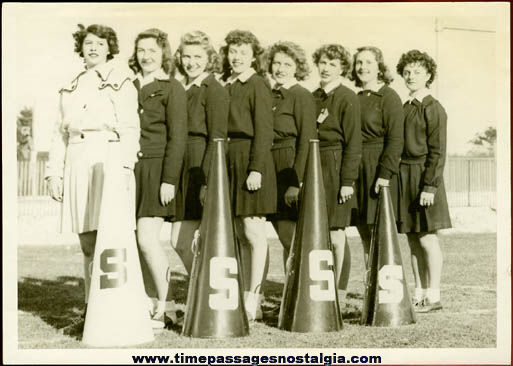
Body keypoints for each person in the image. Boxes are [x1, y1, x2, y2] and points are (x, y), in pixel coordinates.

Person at [46, 24, 140, 321]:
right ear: (81, 47)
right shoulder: (70, 84)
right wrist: (53, 174)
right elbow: (58, 134)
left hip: (109, 159)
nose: (94, 48)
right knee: (87, 241)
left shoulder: (122, 80)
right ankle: (91, 308)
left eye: (100, 43)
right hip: (77, 158)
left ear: (110, 47)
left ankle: (120, 306)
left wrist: (124, 168)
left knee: (112, 236)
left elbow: (129, 128)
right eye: (89, 43)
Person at [129, 28, 187, 327]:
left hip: (156, 169)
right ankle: (153, 305)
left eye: (152, 50)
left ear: (163, 53)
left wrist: (169, 179)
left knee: (147, 239)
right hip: (130, 169)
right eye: (141, 50)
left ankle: (168, 306)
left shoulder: (172, 88)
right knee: (137, 242)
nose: (146, 56)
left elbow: (177, 138)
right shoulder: (127, 85)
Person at [220, 30, 276, 321]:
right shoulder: (226, 85)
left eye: (243, 51)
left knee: (254, 232)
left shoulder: (257, 84)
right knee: (240, 233)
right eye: (233, 51)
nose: (237, 57)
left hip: (250, 160)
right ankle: (244, 293)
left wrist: (255, 168)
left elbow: (265, 131)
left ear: (254, 55)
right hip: (229, 160)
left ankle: (255, 295)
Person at [396, 49, 452, 312]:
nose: (411, 76)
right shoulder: (404, 107)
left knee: (428, 238)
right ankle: (418, 294)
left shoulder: (433, 107)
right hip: (404, 176)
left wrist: (430, 185)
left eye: (417, 71)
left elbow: (438, 151)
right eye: (407, 71)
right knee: (411, 239)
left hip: (424, 177)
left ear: (428, 75)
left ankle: (435, 296)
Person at [170, 30, 229, 274]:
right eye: (186, 56)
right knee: (179, 241)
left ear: (208, 59)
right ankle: (201, 292)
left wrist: (207, 181)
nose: (191, 62)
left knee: (186, 241)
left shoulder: (213, 88)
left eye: (197, 56)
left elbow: (217, 138)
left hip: (199, 166)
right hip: (181, 164)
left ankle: (205, 292)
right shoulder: (180, 88)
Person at [312, 44, 362, 308]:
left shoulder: (347, 97)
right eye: (322, 62)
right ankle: (322, 287)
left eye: (332, 64)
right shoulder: (313, 96)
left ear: (342, 68)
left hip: (335, 164)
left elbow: (354, 143)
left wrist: (347, 181)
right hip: (315, 165)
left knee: (336, 234)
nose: (326, 67)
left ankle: (338, 294)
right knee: (318, 234)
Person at [350, 46, 404, 265]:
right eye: (359, 63)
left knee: (379, 230)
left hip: (377, 169)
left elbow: (395, 140)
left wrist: (384, 174)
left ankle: (386, 286)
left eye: (369, 62)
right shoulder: (355, 97)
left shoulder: (389, 97)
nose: (363, 67)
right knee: (363, 230)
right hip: (357, 167)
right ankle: (370, 284)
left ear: (380, 66)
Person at [265, 41, 317, 266]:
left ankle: (303, 293)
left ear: (297, 67)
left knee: (291, 237)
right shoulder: (271, 94)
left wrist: (296, 182)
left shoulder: (301, 95)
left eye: (287, 64)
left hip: (289, 169)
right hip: (270, 166)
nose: (280, 69)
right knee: (283, 237)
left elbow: (307, 140)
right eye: (276, 63)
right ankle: (291, 293)